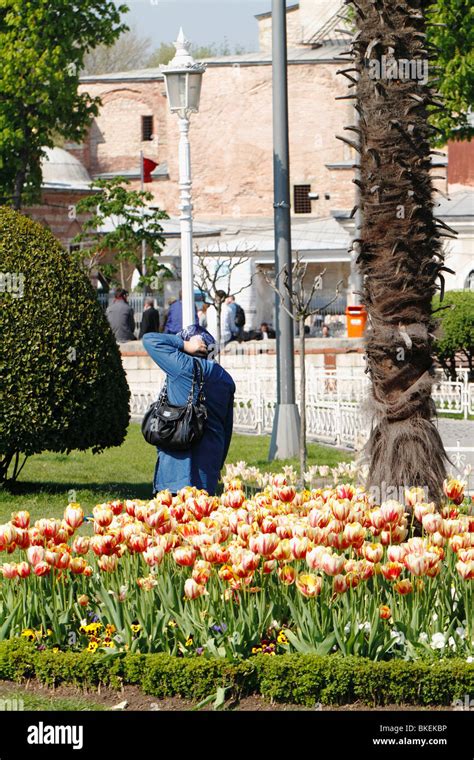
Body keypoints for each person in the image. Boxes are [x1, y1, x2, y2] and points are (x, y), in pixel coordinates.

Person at [142, 325, 235, 496]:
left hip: (177, 469)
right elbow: (226, 428)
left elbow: (150, 339)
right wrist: (218, 465)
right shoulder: (226, 379)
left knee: (173, 519)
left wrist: (184, 345)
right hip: (208, 468)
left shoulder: (182, 366)